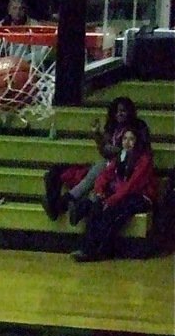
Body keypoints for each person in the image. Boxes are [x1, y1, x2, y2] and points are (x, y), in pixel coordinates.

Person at [43, 97, 150, 223]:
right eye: (116, 111)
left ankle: (65, 203)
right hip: (111, 165)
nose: (119, 114)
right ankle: (67, 204)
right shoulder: (114, 128)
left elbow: (132, 151)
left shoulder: (137, 127)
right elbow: (105, 152)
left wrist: (115, 150)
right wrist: (97, 135)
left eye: (123, 111)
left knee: (99, 173)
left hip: (127, 168)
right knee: (91, 174)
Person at [70, 128, 159, 263]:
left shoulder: (144, 159)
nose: (127, 142)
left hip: (141, 196)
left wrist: (112, 200)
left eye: (131, 139)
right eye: (125, 139)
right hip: (121, 194)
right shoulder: (120, 157)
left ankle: (100, 250)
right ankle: (87, 247)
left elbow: (133, 185)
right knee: (97, 207)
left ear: (138, 142)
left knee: (113, 212)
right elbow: (104, 176)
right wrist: (100, 192)